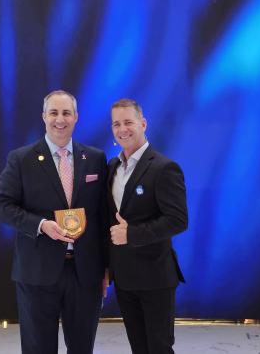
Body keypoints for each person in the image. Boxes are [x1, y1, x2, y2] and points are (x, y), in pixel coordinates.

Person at [0, 90, 109, 354]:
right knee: (38, 348)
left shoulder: (94, 159)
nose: (60, 119)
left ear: (76, 117)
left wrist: (106, 268)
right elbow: (1, 207)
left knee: (82, 347)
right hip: (37, 271)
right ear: (44, 116)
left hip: (85, 273)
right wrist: (41, 225)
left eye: (66, 113)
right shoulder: (21, 159)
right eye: (54, 113)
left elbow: (103, 216)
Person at [108, 98, 188, 354]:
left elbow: (177, 220)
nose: (123, 129)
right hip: (124, 279)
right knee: (139, 348)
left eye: (129, 122)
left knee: (159, 349)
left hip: (155, 277)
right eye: (117, 124)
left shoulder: (165, 168)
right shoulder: (112, 168)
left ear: (143, 124)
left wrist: (131, 234)